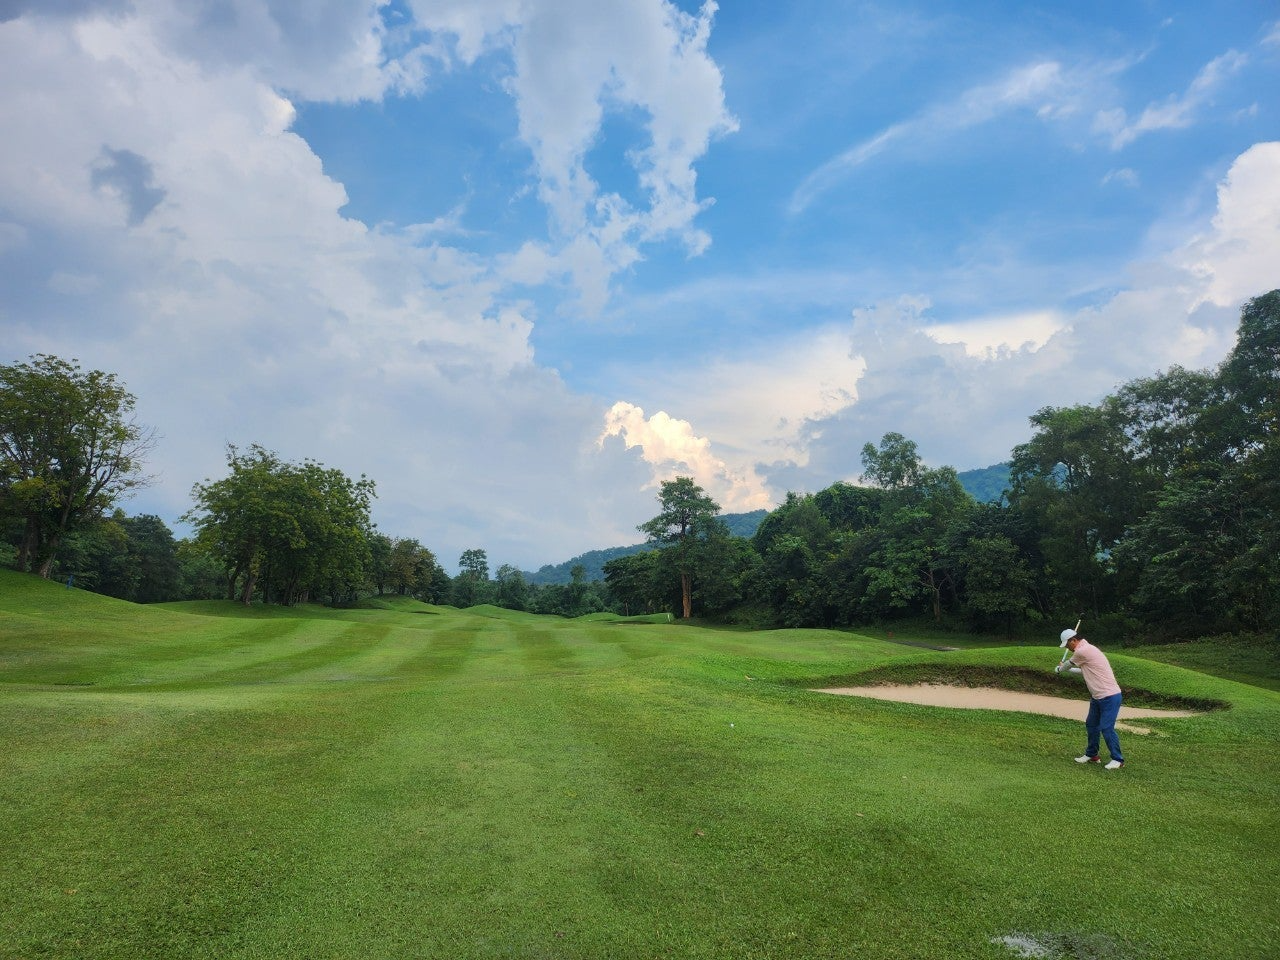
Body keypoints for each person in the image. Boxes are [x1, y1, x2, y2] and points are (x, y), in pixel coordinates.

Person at [1056, 627, 1125, 770]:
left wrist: (1059, 669)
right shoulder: (1085, 650)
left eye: (1068, 645)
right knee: (1091, 725)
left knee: (1106, 728)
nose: (1068, 648)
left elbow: (1068, 665)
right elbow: (1083, 670)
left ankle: (1118, 759)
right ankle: (1092, 755)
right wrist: (1065, 669)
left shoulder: (1083, 651)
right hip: (1097, 697)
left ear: (1074, 640)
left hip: (1110, 696)